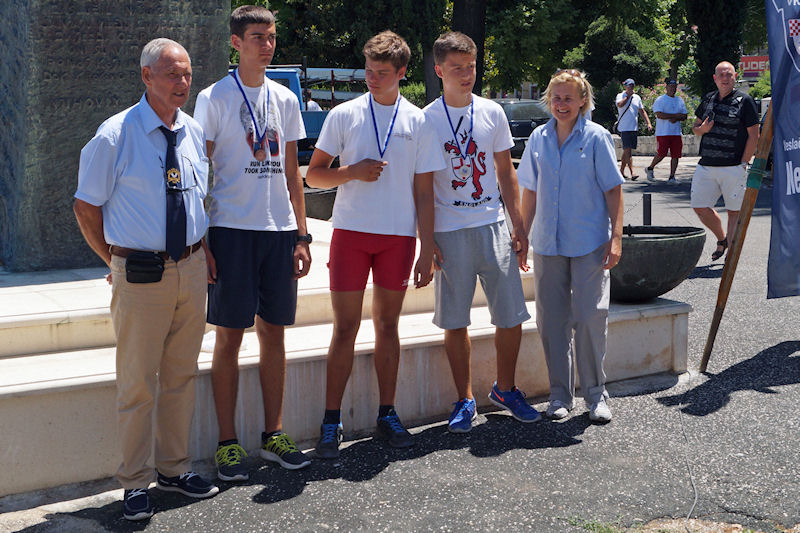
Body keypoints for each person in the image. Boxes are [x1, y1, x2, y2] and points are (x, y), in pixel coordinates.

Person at [73, 38, 218, 521]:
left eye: (187, 73)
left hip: (190, 269)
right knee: (138, 383)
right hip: (140, 274)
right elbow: (85, 206)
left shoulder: (193, 130)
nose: (183, 83)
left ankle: (175, 469)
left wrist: (202, 248)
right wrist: (112, 259)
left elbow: (194, 198)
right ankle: (135, 481)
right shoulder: (115, 135)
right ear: (146, 76)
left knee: (180, 375)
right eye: (172, 73)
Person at [306, 30, 445, 457]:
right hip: (350, 233)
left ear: (402, 73)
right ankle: (331, 420)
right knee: (345, 327)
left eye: (381, 72)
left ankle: (387, 413)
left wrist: (427, 247)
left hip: (397, 238)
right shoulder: (344, 114)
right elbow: (313, 175)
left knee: (388, 326)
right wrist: (351, 172)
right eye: (368, 70)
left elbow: (425, 191)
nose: (371, 78)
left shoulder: (418, 121)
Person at [193, 5, 312, 481]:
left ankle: (274, 433)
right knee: (229, 336)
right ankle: (227, 443)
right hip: (231, 230)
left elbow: (292, 172)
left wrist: (302, 234)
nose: (267, 44)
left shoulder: (284, 97)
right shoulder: (213, 97)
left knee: (275, 333)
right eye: (258, 36)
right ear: (236, 42)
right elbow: (199, 172)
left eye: (272, 36)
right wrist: (202, 240)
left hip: (278, 231)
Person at [422, 31, 540, 433]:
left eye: (471, 66)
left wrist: (518, 225)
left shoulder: (491, 111)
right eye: (457, 67)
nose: (466, 74)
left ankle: (506, 389)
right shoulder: (426, 119)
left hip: (493, 225)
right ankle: (465, 398)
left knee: (511, 315)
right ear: (439, 70)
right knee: (455, 321)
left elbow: (506, 173)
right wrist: (426, 239)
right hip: (449, 230)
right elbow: (421, 186)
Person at [518, 69, 624, 423]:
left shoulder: (596, 137)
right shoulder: (538, 138)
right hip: (548, 243)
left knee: (590, 317)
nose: (561, 104)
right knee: (551, 322)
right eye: (556, 98)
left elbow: (613, 190)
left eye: (568, 98)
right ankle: (560, 395)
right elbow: (530, 191)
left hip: (589, 241)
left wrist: (616, 238)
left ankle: (596, 394)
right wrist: (522, 235)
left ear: (583, 101)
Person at [690, 61, 759, 261]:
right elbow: (695, 128)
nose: (725, 78)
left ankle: (731, 258)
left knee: (734, 212)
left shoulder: (745, 101)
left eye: (729, 74)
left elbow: (754, 135)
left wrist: (744, 163)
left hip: (733, 166)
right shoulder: (708, 99)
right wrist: (703, 129)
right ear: (715, 78)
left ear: (735, 76)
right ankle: (722, 239)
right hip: (706, 165)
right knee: (699, 207)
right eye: (721, 75)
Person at [645, 78, 687, 184]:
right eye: (671, 87)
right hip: (663, 132)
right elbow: (659, 114)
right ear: (666, 87)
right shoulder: (660, 100)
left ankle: (672, 177)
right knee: (662, 153)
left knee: (676, 155)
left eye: (674, 87)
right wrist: (675, 116)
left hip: (676, 132)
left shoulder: (679, 100)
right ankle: (650, 168)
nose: (673, 89)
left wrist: (677, 118)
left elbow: (684, 115)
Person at [615, 78, 652, 180]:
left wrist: (648, 123)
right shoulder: (620, 95)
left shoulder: (637, 98)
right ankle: (633, 172)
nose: (631, 87)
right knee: (628, 150)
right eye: (629, 85)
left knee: (627, 150)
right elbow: (620, 105)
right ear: (625, 86)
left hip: (633, 127)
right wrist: (628, 97)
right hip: (624, 127)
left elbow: (642, 111)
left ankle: (621, 171)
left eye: (632, 85)